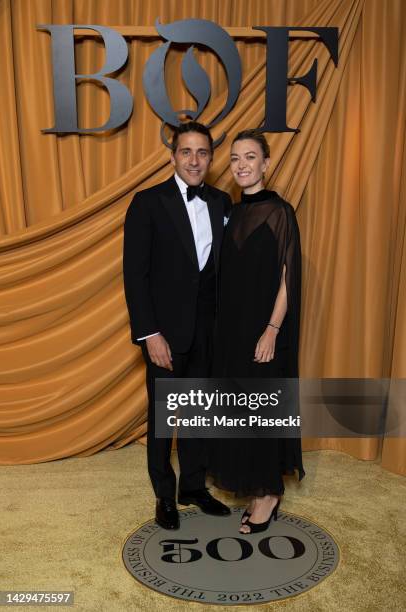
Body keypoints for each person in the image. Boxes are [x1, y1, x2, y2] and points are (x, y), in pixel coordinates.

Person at [123, 121, 232, 530]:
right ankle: (163, 495)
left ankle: (192, 486)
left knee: (199, 415)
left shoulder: (222, 202)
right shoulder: (147, 202)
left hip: (209, 332)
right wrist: (150, 334)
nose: (194, 160)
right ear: (173, 155)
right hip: (165, 334)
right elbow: (136, 275)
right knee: (165, 417)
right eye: (186, 152)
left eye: (202, 153)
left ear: (211, 158)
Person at [208, 129, 305, 534]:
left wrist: (271, 330)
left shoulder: (281, 212)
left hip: (264, 331)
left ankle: (268, 493)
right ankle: (254, 486)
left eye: (250, 157)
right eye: (235, 159)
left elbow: (289, 278)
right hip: (230, 332)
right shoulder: (229, 213)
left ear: (266, 163)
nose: (242, 165)